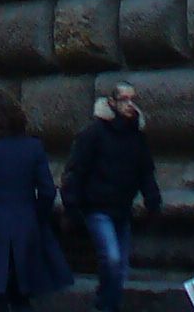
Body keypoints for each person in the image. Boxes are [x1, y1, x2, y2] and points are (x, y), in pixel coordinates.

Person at [0, 91, 70, 312]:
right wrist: (35, 217)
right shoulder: (33, 146)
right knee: (22, 291)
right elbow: (47, 191)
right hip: (26, 224)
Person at [61, 85, 160, 312]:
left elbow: (146, 171)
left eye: (132, 99)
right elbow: (76, 170)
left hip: (121, 209)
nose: (129, 104)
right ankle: (105, 306)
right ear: (112, 103)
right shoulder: (94, 134)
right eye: (123, 99)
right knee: (113, 260)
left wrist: (152, 199)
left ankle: (107, 305)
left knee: (120, 268)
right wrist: (71, 205)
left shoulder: (137, 136)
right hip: (97, 208)